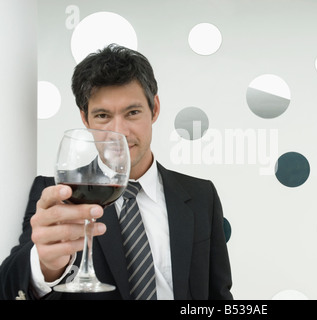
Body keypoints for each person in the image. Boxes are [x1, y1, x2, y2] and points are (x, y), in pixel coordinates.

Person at [0, 44, 233, 300]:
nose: (118, 132)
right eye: (102, 116)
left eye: (132, 113)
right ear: (85, 119)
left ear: (154, 108)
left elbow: (218, 295)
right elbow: (8, 288)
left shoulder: (201, 195)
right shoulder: (55, 194)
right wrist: (43, 266)